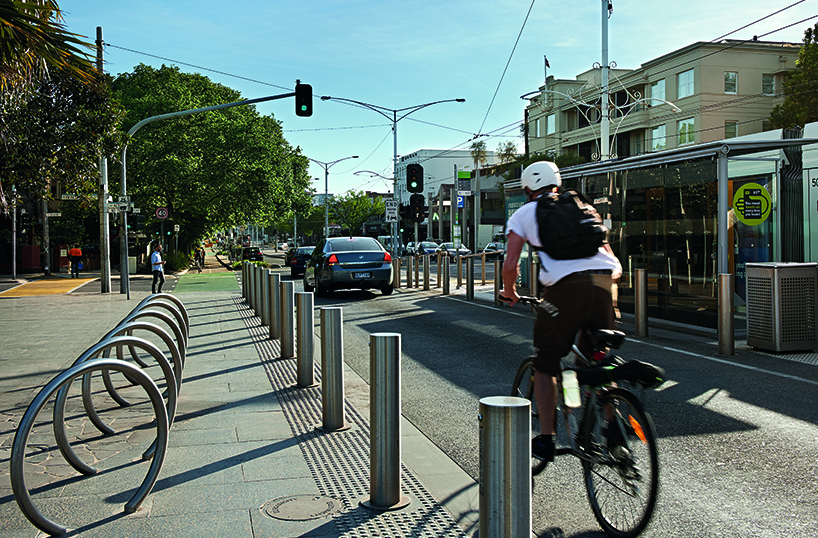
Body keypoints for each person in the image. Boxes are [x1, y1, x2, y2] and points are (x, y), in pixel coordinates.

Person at [500, 161, 622, 463]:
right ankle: (613, 425)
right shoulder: (582, 207)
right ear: (557, 182)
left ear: (528, 188)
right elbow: (613, 261)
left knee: (546, 362)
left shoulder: (525, 213)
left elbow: (510, 264)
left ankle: (547, 439)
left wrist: (510, 291)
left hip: (565, 291)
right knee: (597, 357)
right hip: (605, 283)